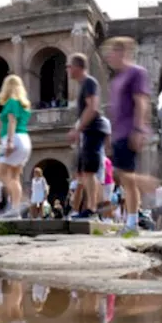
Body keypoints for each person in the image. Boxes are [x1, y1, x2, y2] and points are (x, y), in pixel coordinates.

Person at [103, 36, 158, 235]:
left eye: (112, 52)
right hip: (119, 133)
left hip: (129, 131)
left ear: (122, 52)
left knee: (126, 176)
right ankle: (132, 223)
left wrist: (139, 128)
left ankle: (151, 187)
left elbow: (141, 100)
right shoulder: (117, 79)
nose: (109, 56)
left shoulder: (136, 73)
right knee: (124, 179)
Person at [65, 52, 112, 219]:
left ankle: (91, 209)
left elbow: (92, 107)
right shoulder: (84, 84)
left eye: (69, 66)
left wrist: (78, 128)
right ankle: (95, 206)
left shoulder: (89, 82)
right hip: (89, 131)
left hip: (93, 129)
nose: (67, 69)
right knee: (84, 173)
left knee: (90, 172)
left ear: (77, 67)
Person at [0, 75, 33, 219]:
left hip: (14, 138)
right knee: (15, 177)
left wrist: (9, 142)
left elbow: (12, 121)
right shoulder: (24, 105)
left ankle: (22, 201)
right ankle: (15, 210)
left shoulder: (11, 102)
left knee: (0, 174)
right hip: (25, 140)